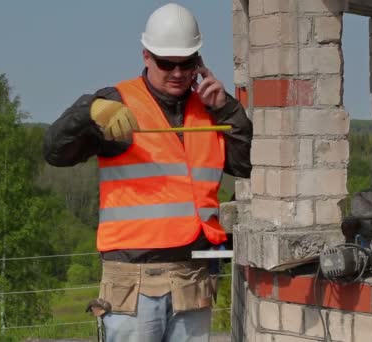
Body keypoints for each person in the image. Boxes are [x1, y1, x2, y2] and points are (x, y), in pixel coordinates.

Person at [44, 3, 252, 341]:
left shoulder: (211, 110)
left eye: (187, 63)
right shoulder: (117, 106)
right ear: (146, 56)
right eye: (166, 63)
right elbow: (55, 152)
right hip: (133, 281)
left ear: (198, 61)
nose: (177, 72)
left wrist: (228, 109)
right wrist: (88, 110)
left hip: (193, 278)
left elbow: (246, 164)